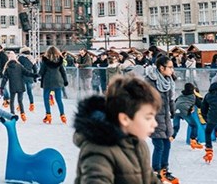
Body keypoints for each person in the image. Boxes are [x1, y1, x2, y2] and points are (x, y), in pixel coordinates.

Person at [73, 75, 161, 184]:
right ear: (125, 119)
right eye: (148, 118)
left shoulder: (138, 145)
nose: (155, 124)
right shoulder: (98, 150)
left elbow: (149, 178)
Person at [144, 55, 178, 184]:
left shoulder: (168, 80)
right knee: (159, 145)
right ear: (161, 68)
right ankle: (156, 171)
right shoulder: (150, 82)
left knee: (167, 144)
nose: (172, 70)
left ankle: (164, 169)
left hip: (165, 118)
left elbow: (170, 99)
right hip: (153, 118)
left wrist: (174, 112)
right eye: (169, 67)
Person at [0, 51, 36, 122]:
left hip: (12, 86)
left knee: (12, 101)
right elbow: (27, 73)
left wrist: (2, 87)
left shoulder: (7, 68)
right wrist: (34, 75)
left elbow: (4, 79)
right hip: (20, 86)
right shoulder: (19, 66)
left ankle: (12, 114)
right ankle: (23, 114)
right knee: (20, 101)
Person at [39, 46, 68, 124]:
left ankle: (48, 115)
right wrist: (65, 81)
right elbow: (63, 72)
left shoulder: (45, 61)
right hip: (58, 81)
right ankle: (63, 116)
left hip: (47, 82)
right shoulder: (59, 60)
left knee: (46, 98)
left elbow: (41, 71)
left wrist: (37, 76)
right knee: (59, 99)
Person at [171, 83, 203, 150]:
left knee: (176, 127)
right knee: (194, 125)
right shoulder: (194, 96)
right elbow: (200, 105)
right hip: (184, 111)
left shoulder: (181, 95)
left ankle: (171, 137)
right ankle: (193, 140)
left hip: (176, 110)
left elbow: (176, 101)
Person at [18, 47, 37, 111]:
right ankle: (32, 105)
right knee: (29, 92)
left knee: (21, 92)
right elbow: (35, 69)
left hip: (22, 76)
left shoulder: (20, 58)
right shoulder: (32, 59)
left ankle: (19, 106)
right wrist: (35, 77)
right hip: (30, 76)